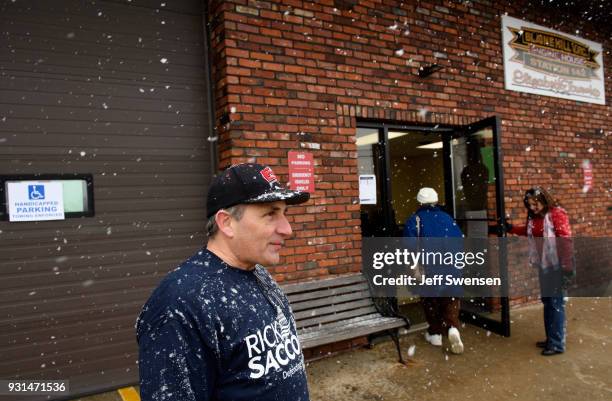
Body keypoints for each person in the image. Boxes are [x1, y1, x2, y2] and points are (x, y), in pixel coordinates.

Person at [136, 163, 311, 401]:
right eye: (270, 214)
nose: (287, 229)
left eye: (284, 213)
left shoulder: (257, 272)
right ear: (226, 222)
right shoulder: (181, 304)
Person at [506, 187, 574, 356]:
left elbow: (565, 240)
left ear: (544, 200)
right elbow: (529, 231)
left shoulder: (556, 214)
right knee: (548, 301)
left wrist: (566, 268)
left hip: (557, 265)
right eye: (529, 205)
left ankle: (557, 343)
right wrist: (511, 228)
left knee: (555, 303)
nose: (533, 207)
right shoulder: (535, 217)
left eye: (536, 203)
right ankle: (551, 338)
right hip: (544, 264)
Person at [403, 187, 465, 355]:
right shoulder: (447, 218)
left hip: (429, 269)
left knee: (431, 302)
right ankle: (452, 328)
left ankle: (435, 334)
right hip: (451, 268)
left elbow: (408, 247)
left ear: (420, 202)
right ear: (436, 201)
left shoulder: (414, 220)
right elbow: (459, 242)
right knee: (450, 300)